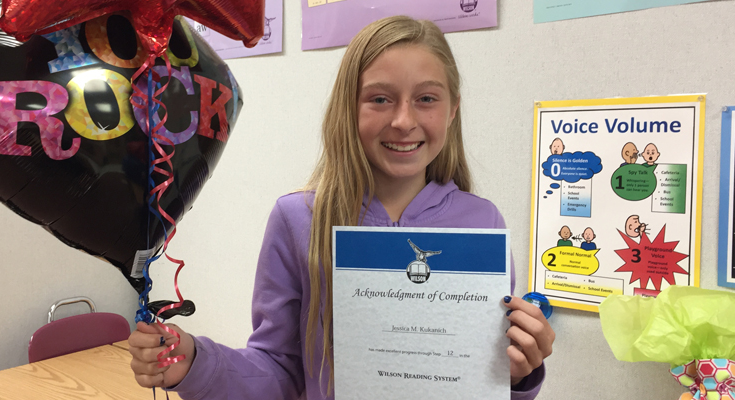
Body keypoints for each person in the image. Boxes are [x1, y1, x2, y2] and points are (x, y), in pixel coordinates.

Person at [127, 16, 554, 400]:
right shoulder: (298, 220)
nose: (404, 120)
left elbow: (482, 380)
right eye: (380, 99)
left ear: (453, 109)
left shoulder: (482, 222)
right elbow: (278, 370)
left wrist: (521, 373)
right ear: (348, 109)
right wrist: (197, 363)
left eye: (426, 99)